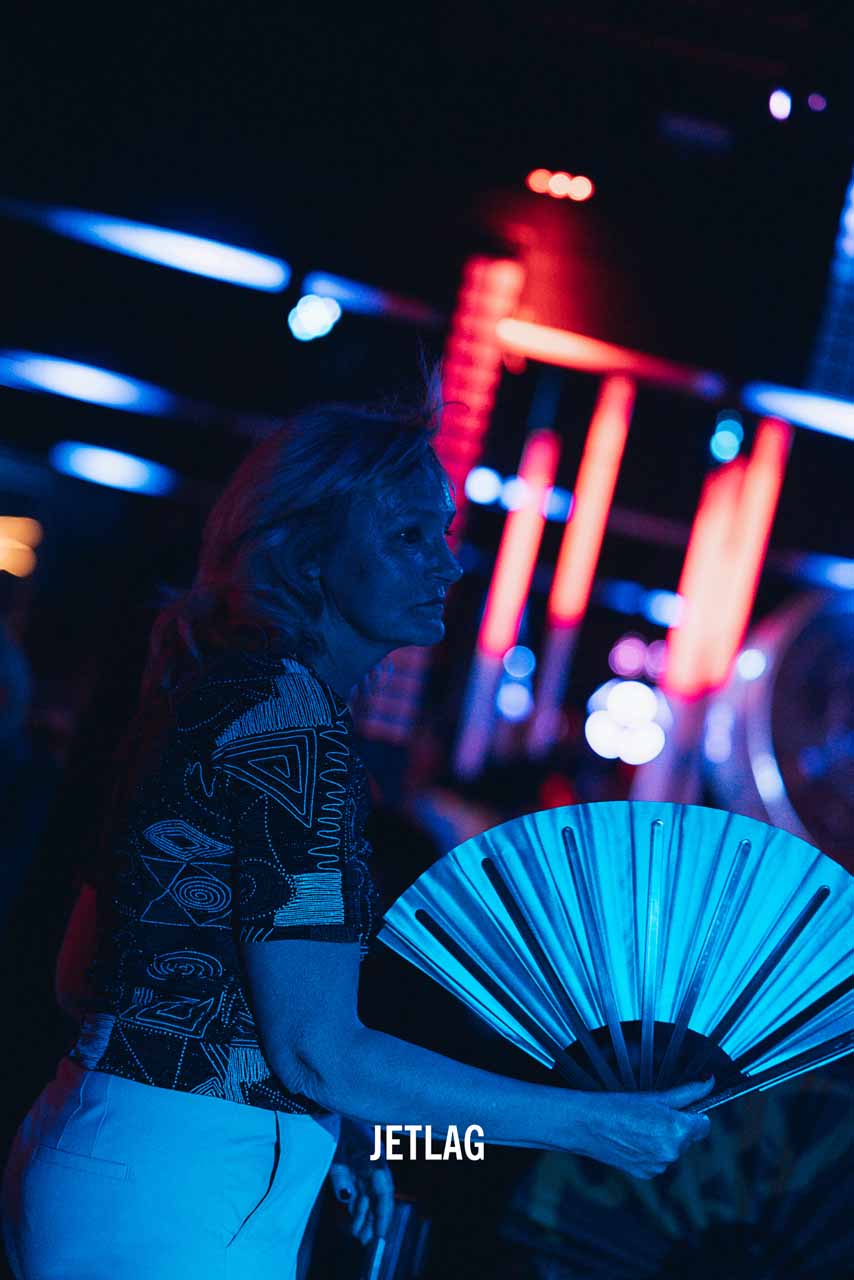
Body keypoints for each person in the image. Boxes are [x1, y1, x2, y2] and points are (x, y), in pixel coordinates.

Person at [1, 399, 714, 1279]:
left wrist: (327, 1132)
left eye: (441, 534)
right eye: (408, 536)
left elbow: (81, 978)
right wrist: (590, 1124)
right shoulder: (293, 722)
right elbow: (317, 1051)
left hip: (97, 1140)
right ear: (309, 554)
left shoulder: (211, 687)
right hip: (179, 1189)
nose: (447, 563)